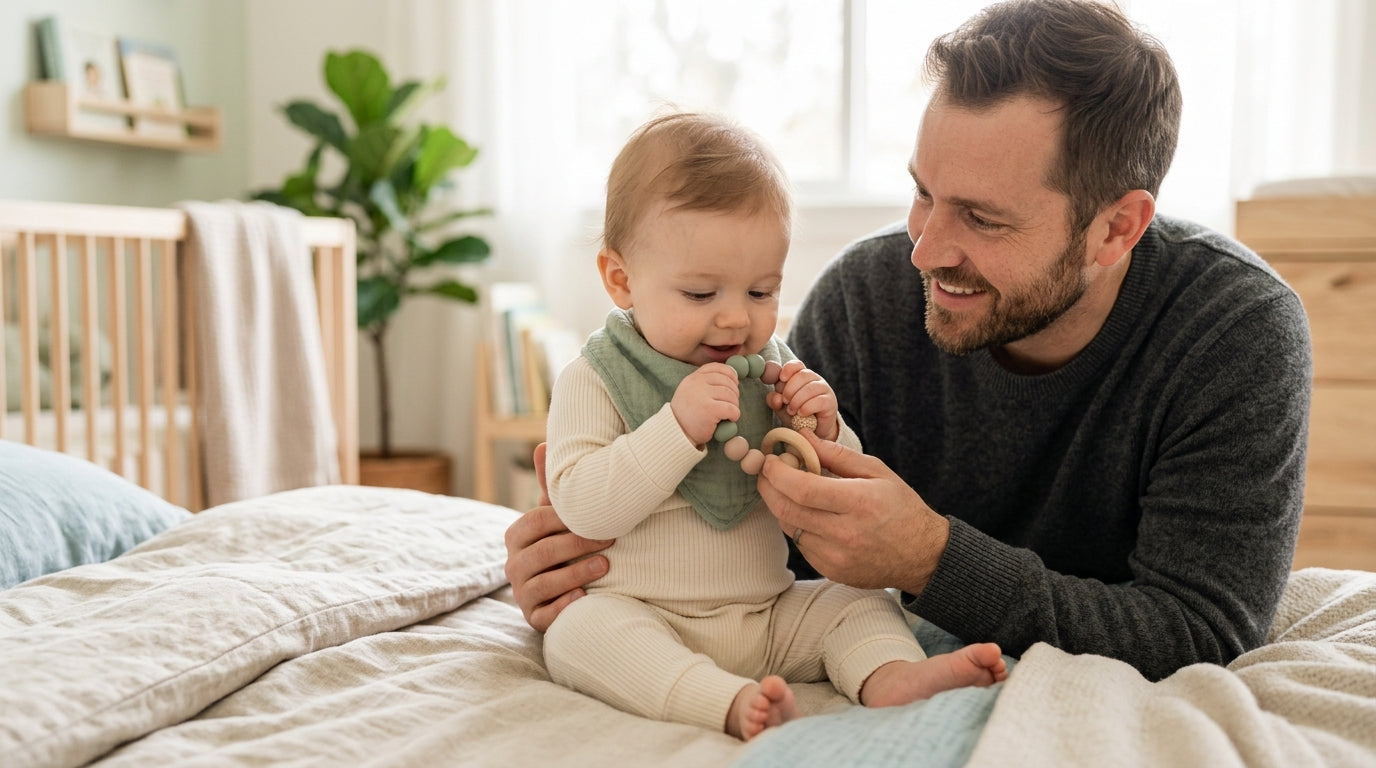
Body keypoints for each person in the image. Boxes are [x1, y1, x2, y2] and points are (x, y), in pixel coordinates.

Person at [505, 0, 1312, 684]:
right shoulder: (867, 297)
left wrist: (932, 559)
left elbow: (1203, 633)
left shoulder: (1234, 336)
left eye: (983, 218)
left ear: (1116, 229)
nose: (923, 250)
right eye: (923, 193)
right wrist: (585, 569)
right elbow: (770, 577)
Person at [540, 111, 1007, 741]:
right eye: (702, 295)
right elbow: (585, 508)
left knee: (859, 601)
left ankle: (891, 676)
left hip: (768, 611)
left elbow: (845, 496)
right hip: (646, 612)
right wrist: (676, 428)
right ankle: (727, 702)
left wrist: (824, 426)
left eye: (761, 292)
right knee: (577, 635)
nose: (736, 320)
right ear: (621, 280)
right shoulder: (595, 377)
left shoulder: (770, 367)